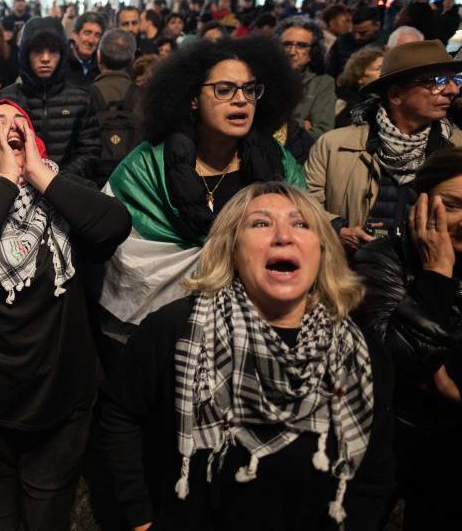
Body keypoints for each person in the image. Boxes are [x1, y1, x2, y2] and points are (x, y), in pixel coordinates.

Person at [100, 181, 393, 531]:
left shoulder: (360, 350)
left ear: (322, 250)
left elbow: (375, 470)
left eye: (301, 224)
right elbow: (119, 414)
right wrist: (140, 517)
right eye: (261, 223)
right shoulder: (173, 329)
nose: (283, 236)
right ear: (231, 248)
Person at [0, 99, 130, 531]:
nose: (8, 128)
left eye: (17, 120)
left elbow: (113, 226)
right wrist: (5, 180)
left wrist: (38, 175)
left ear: (35, 137)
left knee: (48, 505)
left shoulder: (61, 186)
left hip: (59, 390)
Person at [99, 36, 305, 339]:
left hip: (252, 332)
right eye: (224, 90)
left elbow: (305, 236)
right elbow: (117, 244)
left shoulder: (279, 163)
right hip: (160, 336)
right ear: (193, 98)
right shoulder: (148, 165)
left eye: (250, 89)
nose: (241, 100)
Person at [354, 149, 462, 530]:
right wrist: (436, 273)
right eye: (452, 205)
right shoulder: (381, 259)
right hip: (398, 447)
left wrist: (447, 379)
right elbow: (389, 361)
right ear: (419, 204)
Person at [305, 40, 462, 252]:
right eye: (437, 81)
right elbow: (304, 205)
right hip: (352, 274)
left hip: (426, 276)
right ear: (396, 95)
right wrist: (337, 229)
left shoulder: (456, 149)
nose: (452, 90)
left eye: (454, 79)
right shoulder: (334, 146)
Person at [0, 16, 101, 181]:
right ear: (26, 55)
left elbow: (90, 151)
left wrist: (55, 182)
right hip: (19, 190)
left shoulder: (81, 99)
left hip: (68, 190)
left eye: (53, 51)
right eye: (37, 51)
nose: (45, 58)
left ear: (62, 54)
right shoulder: (6, 99)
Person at [90, 29, 139, 186]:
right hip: (134, 180)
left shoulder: (85, 96)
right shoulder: (145, 97)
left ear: (99, 57)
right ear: (132, 59)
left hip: (94, 183)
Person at [276, 18, 336, 140]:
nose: (292, 51)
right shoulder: (262, 76)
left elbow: (322, 133)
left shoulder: (323, 82)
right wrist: (302, 124)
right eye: (287, 44)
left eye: (302, 46)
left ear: (313, 51)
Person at [326, 6, 386, 80]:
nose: (356, 37)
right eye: (354, 32)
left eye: (362, 33)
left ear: (377, 25)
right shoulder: (342, 41)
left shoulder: (387, 43)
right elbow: (330, 71)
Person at [334, 45, 383, 128]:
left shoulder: (387, 97)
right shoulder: (348, 105)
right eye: (378, 69)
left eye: (386, 67)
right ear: (360, 77)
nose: (385, 71)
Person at [67, 12, 105, 86]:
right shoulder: (61, 61)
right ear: (75, 35)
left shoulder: (102, 65)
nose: (91, 40)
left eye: (97, 35)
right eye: (87, 33)